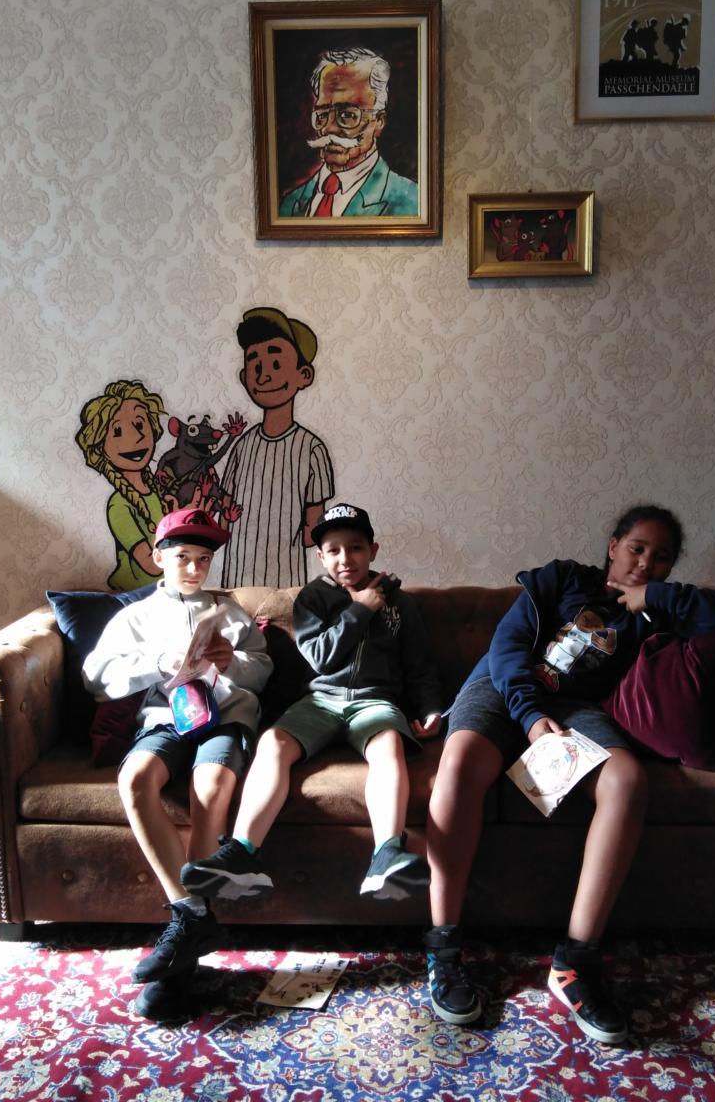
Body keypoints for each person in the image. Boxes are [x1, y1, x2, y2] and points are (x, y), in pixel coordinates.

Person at [423, 504, 715, 1041]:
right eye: (637, 548)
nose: (645, 563)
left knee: (626, 780)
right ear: (613, 546)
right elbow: (508, 645)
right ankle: (443, 950)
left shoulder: (656, 610)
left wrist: (657, 598)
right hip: (502, 689)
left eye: (661, 558)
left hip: (579, 709)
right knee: (459, 761)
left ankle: (575, 963)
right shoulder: (564, 579)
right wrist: (530, 718)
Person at [182, 503, 443, 903]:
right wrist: (360, 610)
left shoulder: (399, 603)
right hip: (320, 701)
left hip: (375, 700)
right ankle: (241, 852)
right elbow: (321, 657)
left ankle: (387, 853)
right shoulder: (312, 599)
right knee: (273, 743)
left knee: (389, 744)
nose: (345, 558)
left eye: (355, 547)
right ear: (320, 556)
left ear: (373, 550)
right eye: (334, 550)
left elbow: (420, 663)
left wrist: (430, 708)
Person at [82, 506, 272, 1021]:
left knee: (209, 788)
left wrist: (235, 663)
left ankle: (180, 961)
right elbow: (95, 677)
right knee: (135, 778)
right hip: (166, 718)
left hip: (224, 717)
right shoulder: (136, 616)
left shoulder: (229, 612)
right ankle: (191, 914)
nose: (193, 568)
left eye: (203, 559)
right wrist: (157, 663)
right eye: (183, 557)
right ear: (159, 557)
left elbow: (262, 667)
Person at [219, 307, 335, 589]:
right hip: (236, 582)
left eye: (275, 363)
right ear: (244, 377)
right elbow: (224, 513)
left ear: (303, 375)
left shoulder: (311, 449)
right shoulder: (242, 446)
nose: (263, 376)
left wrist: (280, 539)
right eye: (255, 365)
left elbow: (314, 527)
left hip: (286, 584)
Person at [279, 47, 419, 218]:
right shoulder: (290, 203)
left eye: (347, 115)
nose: (329, 128)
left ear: (379, 121)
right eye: (322, 114)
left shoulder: (410, 202)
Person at [75, 379, 169, 591]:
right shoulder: (118, 505)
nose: (136, 436)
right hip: (133, 596)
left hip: (163, 592)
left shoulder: (155, 493)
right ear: (100, 447)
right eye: (117, 431)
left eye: (140, 425)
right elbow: (151, 565)